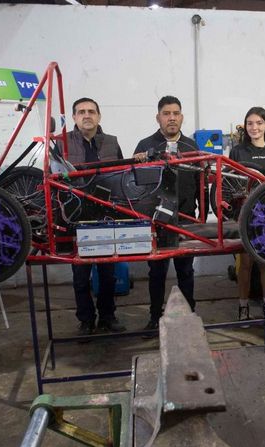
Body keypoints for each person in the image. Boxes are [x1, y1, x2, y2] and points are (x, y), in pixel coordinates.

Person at [133, 96, 201, 332]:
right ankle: (154, 318)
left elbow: (200, 184)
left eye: (176, 113)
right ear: (158, 117)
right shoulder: (144, 145)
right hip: (156, 221)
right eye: (166, 113)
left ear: (181, 117)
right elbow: (135, 186)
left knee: (186, 270)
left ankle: (189, 315)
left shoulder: (192, 146)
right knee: (157, 272)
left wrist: (201, 216)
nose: (171, 117)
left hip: (185, 218)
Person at [67, 97, 126, 335]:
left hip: (106, 213)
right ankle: (86, 320)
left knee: (107, 272)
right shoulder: (62, 144)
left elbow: (123, 175)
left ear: (99, 116)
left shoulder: (111, 142)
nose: (86, 115)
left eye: (91, 111)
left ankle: (108, 317)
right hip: (75, 215)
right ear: (74, 117)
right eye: (81, 112)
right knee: (80, 274)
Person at [230, 107, 265, 325]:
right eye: (250, 123)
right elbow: (230, 182)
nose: (255, 127)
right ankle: (243, 307)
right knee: (244, 264)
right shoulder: (237, 152)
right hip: (245, 216)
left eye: (259, 123)